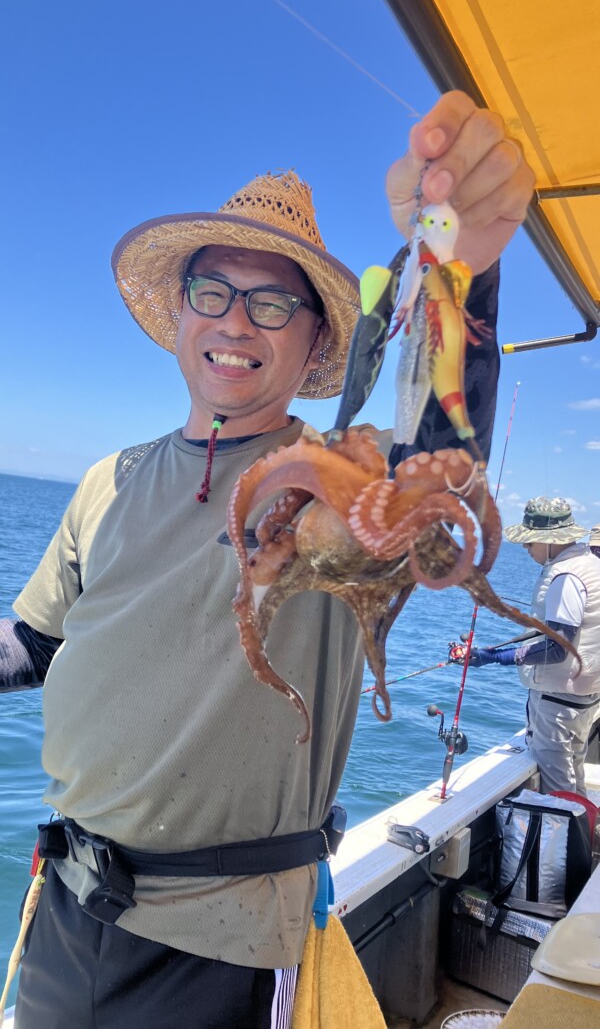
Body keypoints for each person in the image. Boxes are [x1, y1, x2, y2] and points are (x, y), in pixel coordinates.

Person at [0, 91, 534, 1029]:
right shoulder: (105, 482)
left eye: (273, 302)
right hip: (65, 908)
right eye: (214, 294)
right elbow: (36, 643)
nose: (237, 323)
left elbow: (430, 463)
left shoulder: (333, 495)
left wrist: (463, 271)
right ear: (180, 316)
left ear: (318, 335)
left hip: (226, 939)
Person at [451, 497, 600, 796]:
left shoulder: (566, 577)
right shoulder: (591, 565)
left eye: (530, 541)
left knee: (560, 795)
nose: (526, 548)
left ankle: (569, 844)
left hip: (557, 706)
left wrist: (494, 656)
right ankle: (580, 836)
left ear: (548, 540)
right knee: (575, 784)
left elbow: (558, 649)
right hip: (583, 700)